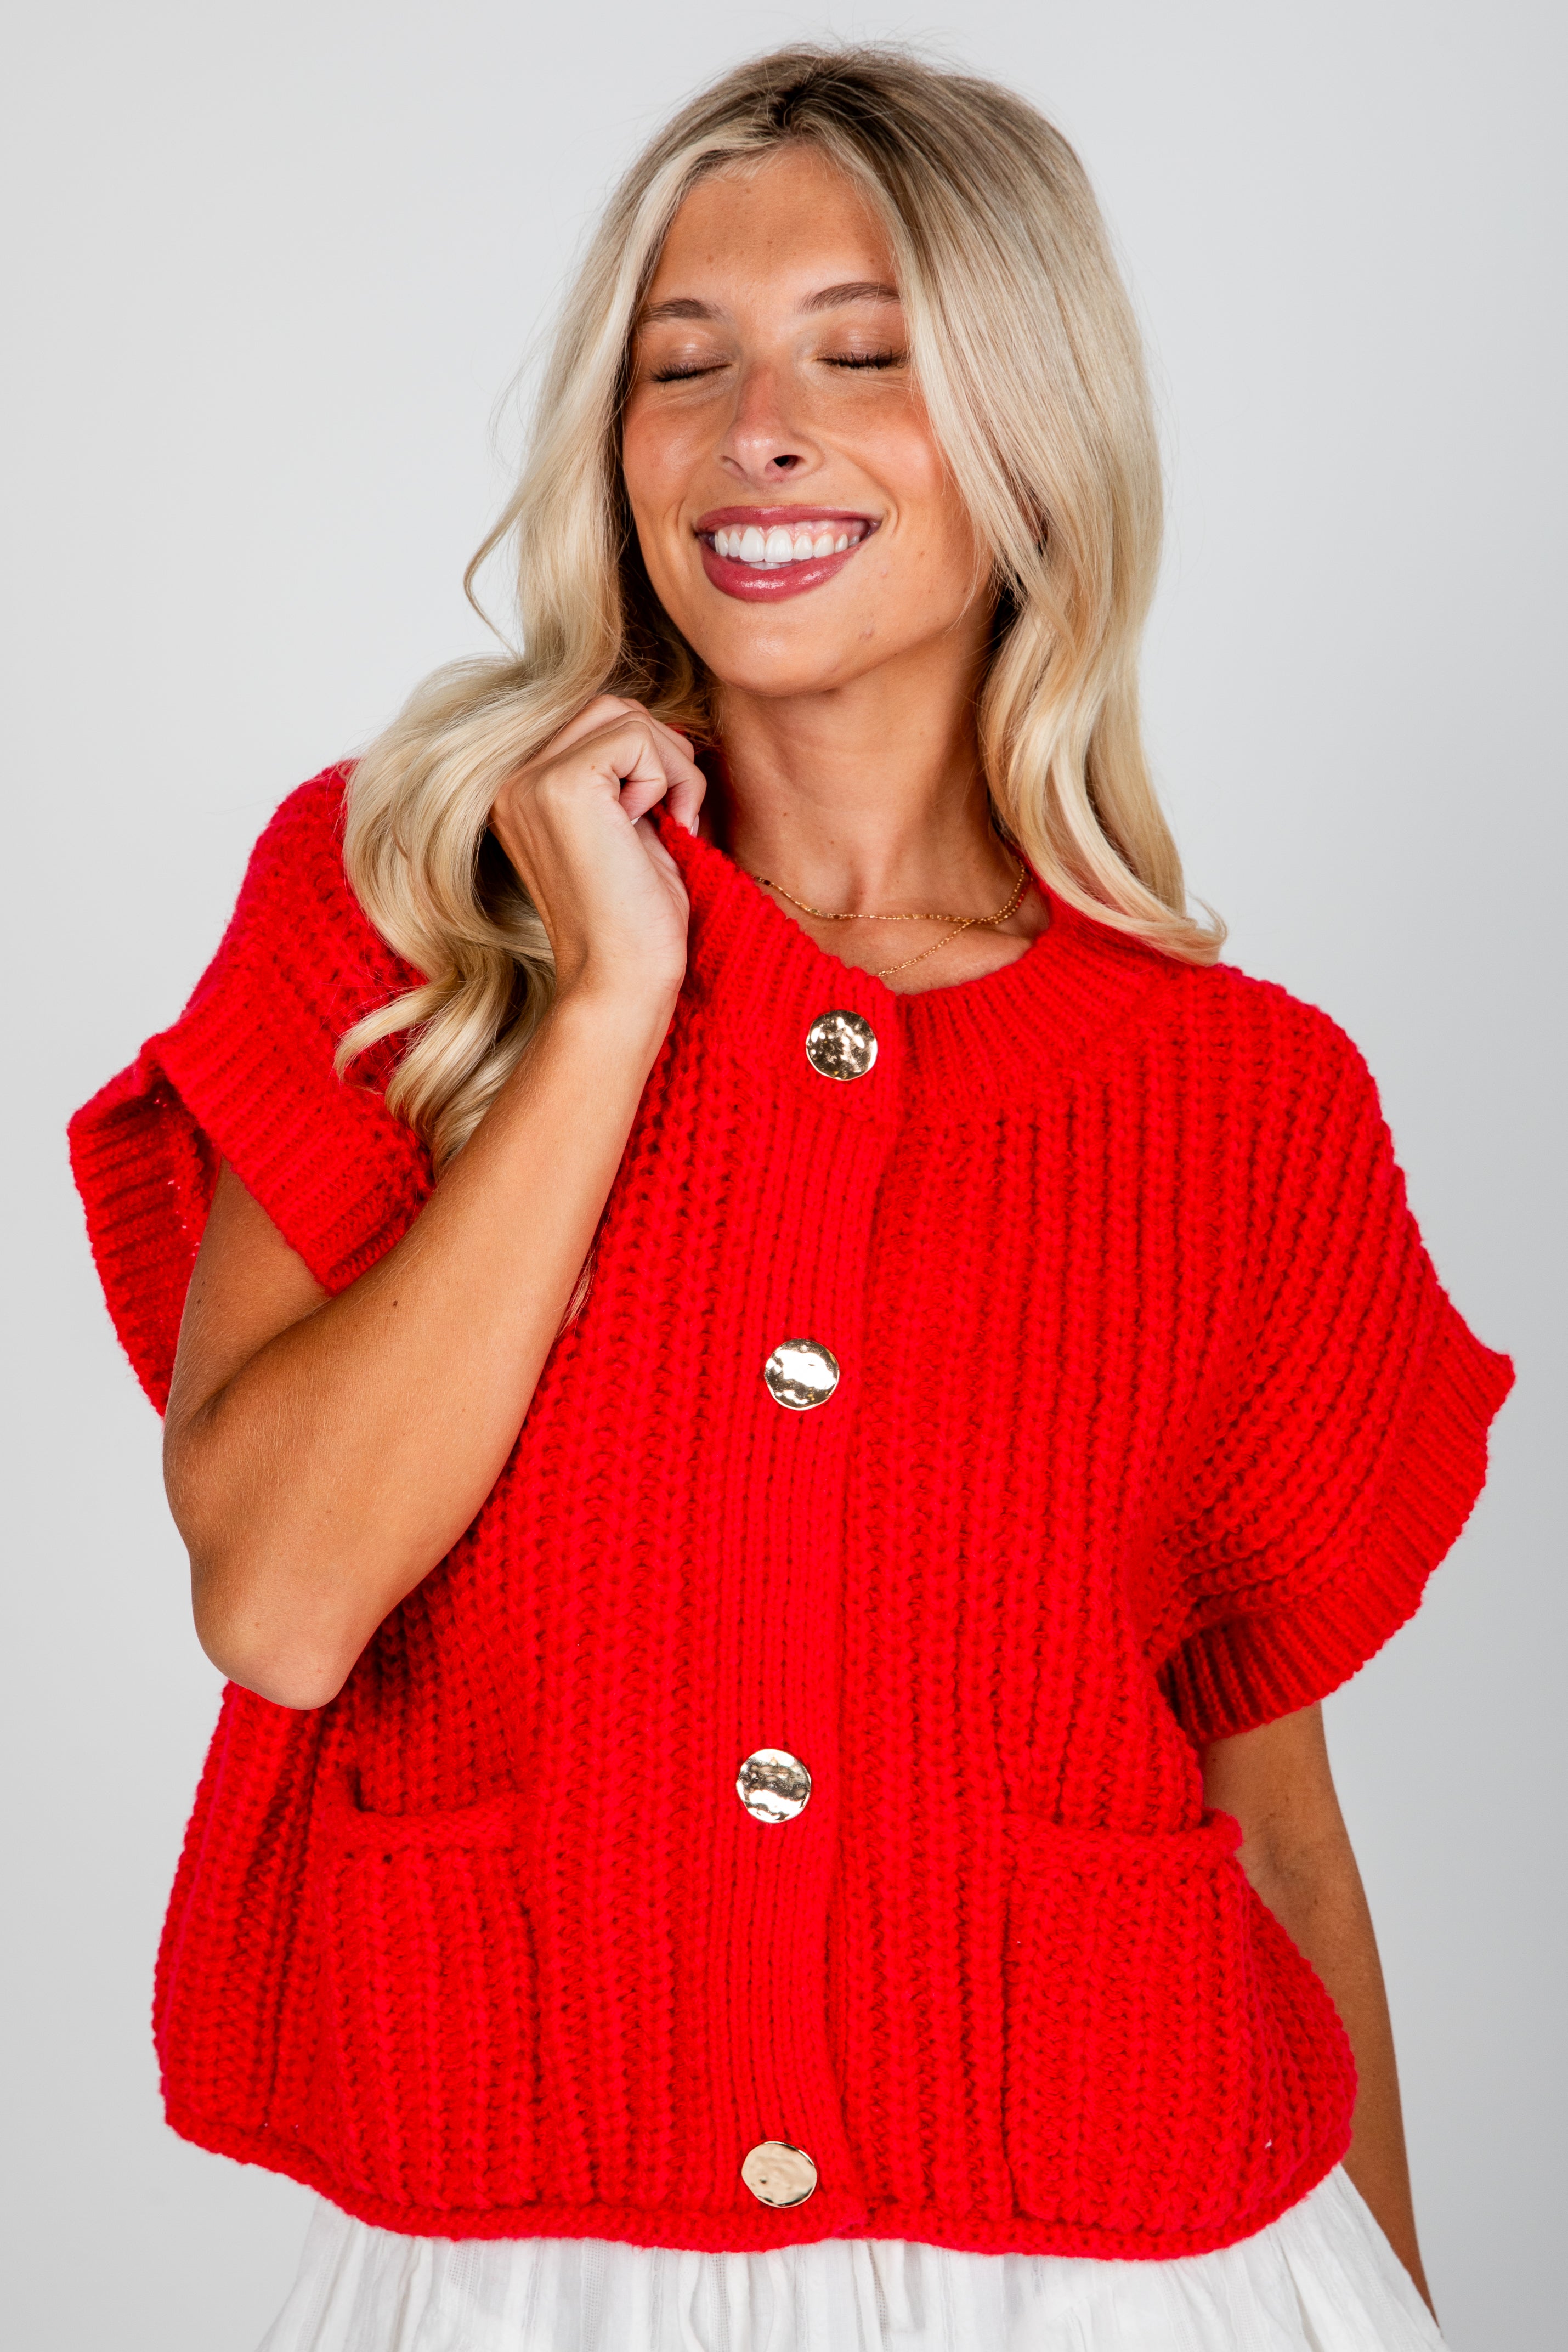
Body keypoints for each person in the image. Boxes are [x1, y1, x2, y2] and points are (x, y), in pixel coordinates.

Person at [69, 44, 1513, 2352]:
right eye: (682, 364)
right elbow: (281, 1595)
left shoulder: (1245, 1100)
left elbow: (1284, 1832)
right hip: (539, 2271)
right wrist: (608, 1007)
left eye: (865, 354)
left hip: (1154, 2283)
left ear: (1038, 435)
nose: (759, 424)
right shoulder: (412, 919)